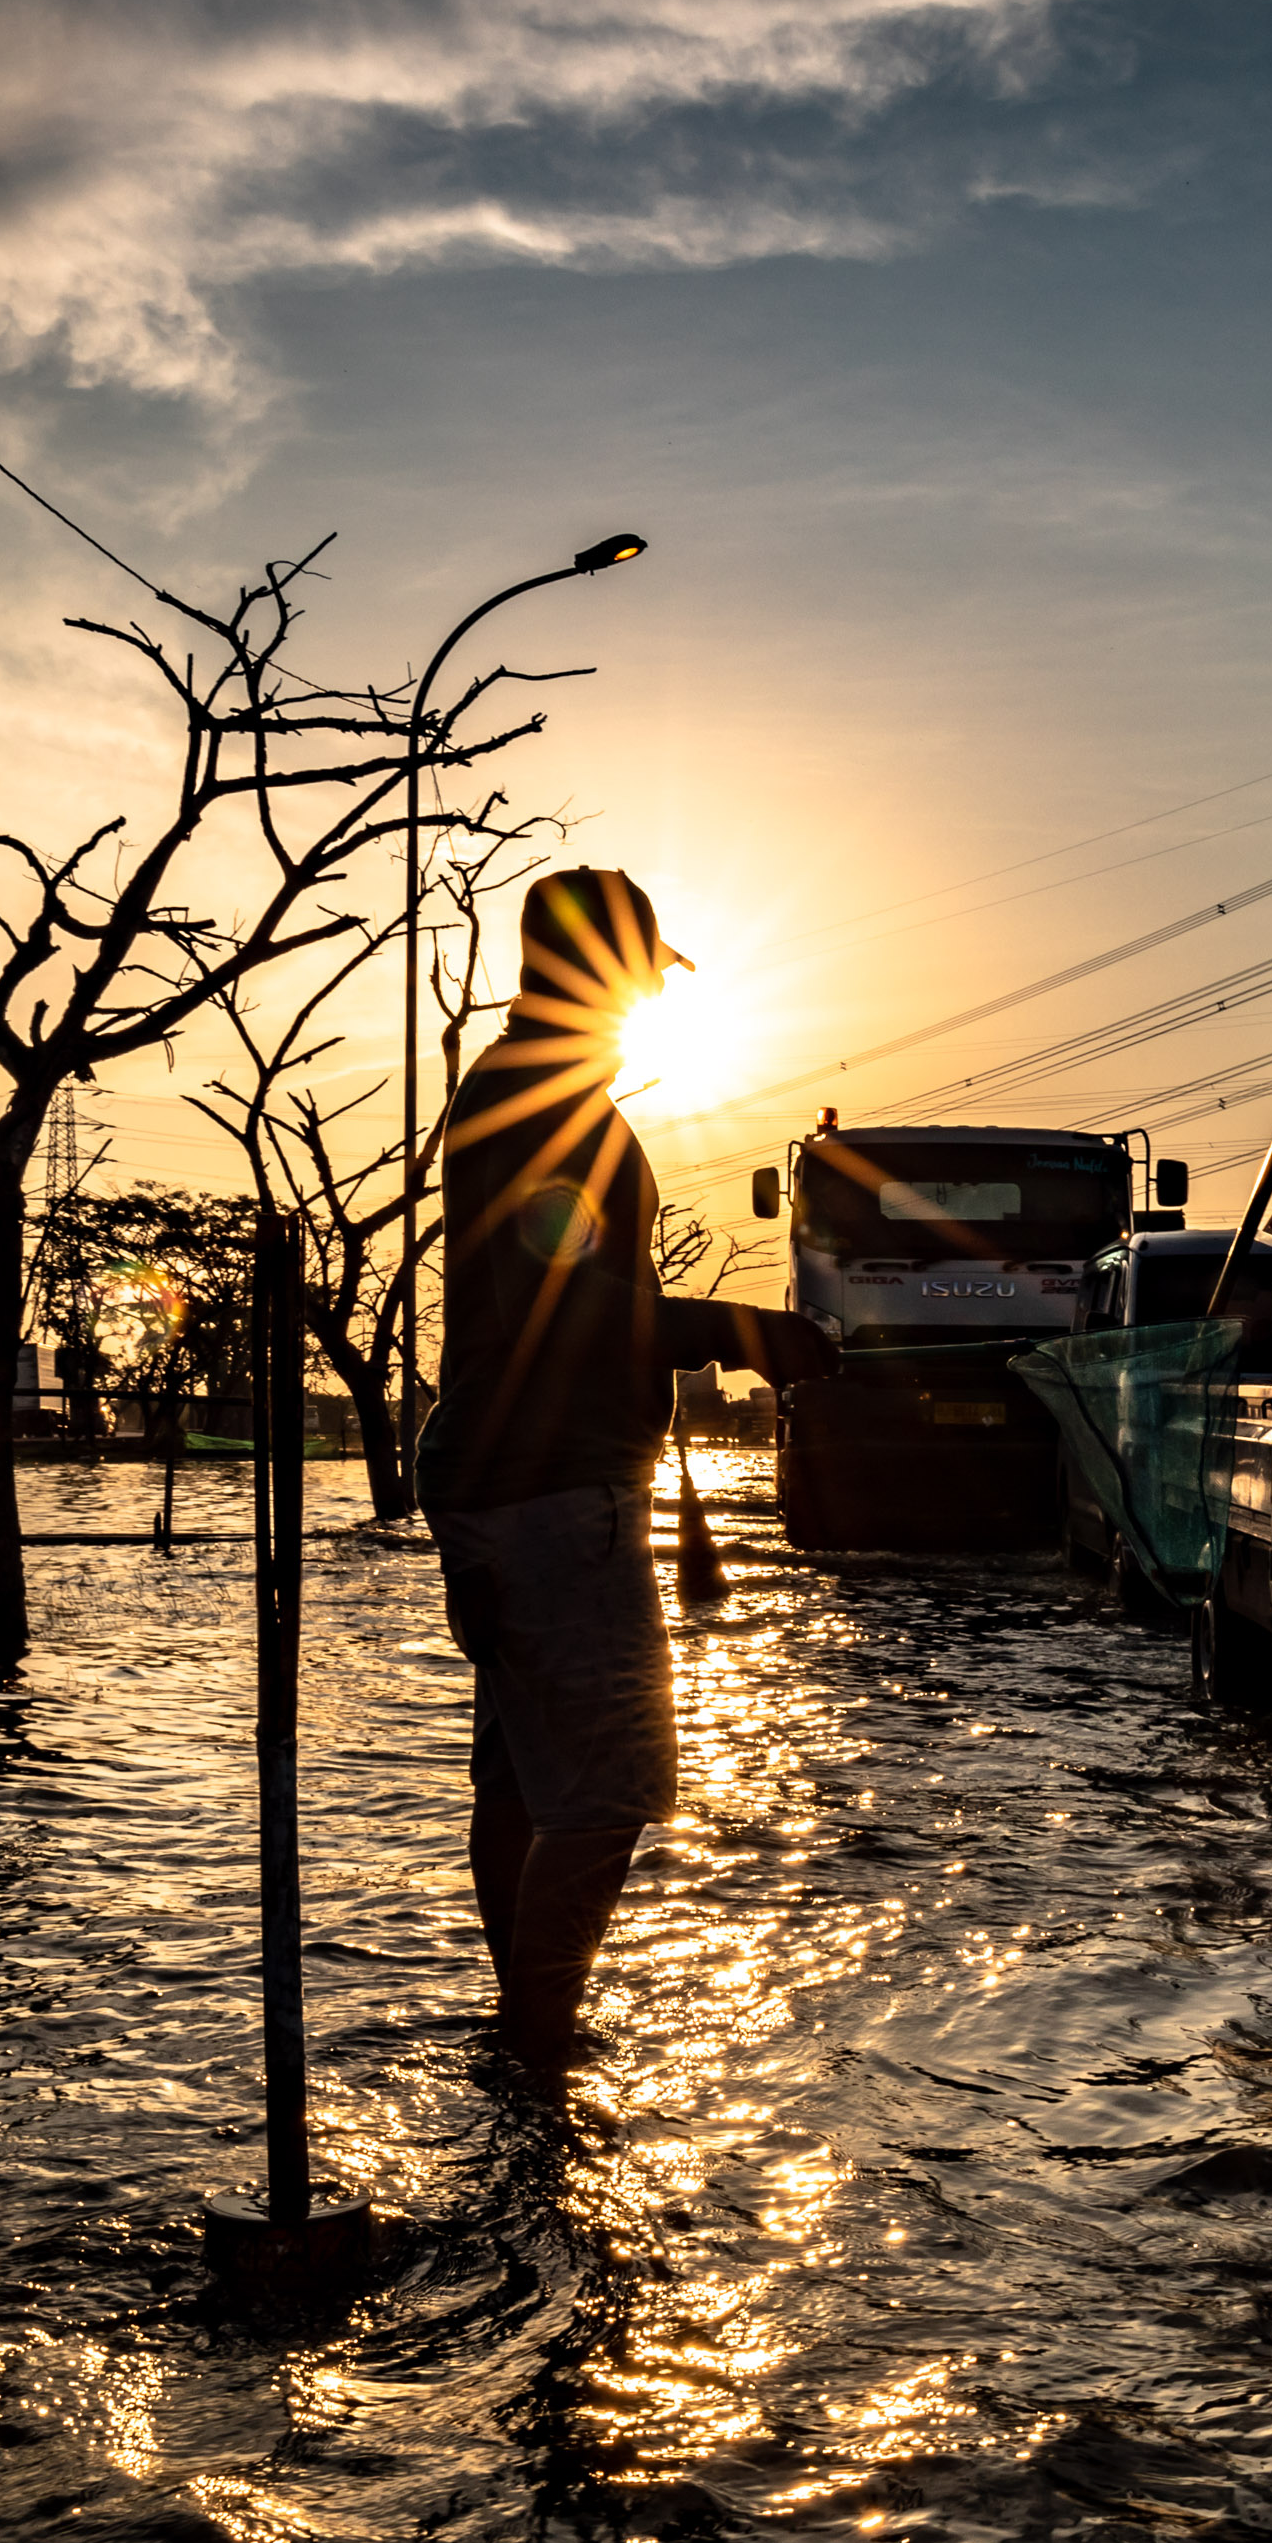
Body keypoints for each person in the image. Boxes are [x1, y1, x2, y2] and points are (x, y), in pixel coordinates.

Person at [421, 867, 837, 2087]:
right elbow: (563, 1315)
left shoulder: (518, 1094)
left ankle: (523, 2046)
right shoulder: (539, 1108)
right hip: (553, 1498)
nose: (648, 999)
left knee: (521, 1781)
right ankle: (540, 2057)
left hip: (504, 1487)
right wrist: (739, 1331)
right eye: (641, 975)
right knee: (602, 1802)